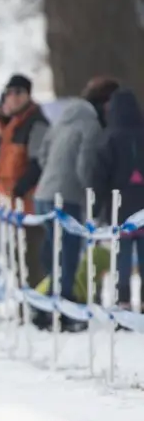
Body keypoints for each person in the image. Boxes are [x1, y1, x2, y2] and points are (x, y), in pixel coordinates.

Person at [32, 76, 119, 330]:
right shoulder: (91, 125)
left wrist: (51, 175)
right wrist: (90, 194)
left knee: (53, 258)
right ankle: (63, 313)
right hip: (67, 197)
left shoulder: (63, 119)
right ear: (106, 104)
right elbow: (85, 166)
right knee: (68, 258)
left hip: (44, 194)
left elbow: (43, 153)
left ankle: (44, 309)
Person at [0, 74, 49, 289]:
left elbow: (39, 162)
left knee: (33, 261)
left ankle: (39, 310)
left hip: (31, 205)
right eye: (9, 93)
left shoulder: (36, 124)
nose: (13, 98)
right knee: (18, 260)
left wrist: (20, 188)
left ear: (28, 95)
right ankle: (26, 307)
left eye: (19, 93)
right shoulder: (14, 126)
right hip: (14, 207)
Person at [92, 88, 144, 310]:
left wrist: (95, 208)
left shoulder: (108, 138)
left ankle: (122, 301)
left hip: (119, 208)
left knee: (122, 257)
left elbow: (99, 176)